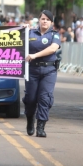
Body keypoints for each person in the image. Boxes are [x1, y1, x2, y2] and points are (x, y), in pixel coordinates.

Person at [23, 10, 61, 138]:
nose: (44, 21)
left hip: (49, 71)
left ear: (51, 22)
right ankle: (30, 120)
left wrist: (35, 55)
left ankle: (41, 127)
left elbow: (53, 48)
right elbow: (15, 44)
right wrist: (21, 31)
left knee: (44, 98)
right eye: (42, 19)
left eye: (47, 19)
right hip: (32, 70)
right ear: (38, 20)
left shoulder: (54, 35)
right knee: (30, 99)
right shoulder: (29, 32)